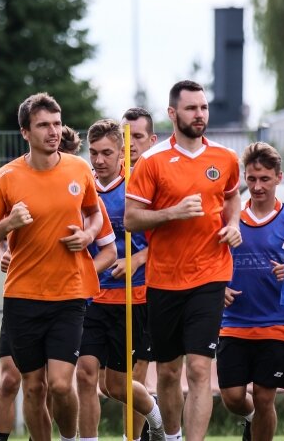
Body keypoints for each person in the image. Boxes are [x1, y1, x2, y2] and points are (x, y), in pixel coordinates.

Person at [0, 92, 103, 441]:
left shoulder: (79, 168)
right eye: (44, 125)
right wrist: (8, 225)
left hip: (69, 295)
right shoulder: (5, 178)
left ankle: (69, 438)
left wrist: (89, 235)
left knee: (61, 385)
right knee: (33, 387)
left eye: (57, 124)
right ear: (25, 132)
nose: (53, 131)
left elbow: (94, 214)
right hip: (23, 297)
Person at [124, 80, 242, 441]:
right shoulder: (152, 161)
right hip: (164, 280)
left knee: (200, 370)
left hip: (210, 275)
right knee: (169, 372)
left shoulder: (225, 157)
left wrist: (234, 225)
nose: (200, 114)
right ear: (173, 113)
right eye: (192, 108)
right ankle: (172, 436)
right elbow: (131, 219)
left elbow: (232, 197)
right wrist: (172, 213)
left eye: (203, 107)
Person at [76, 119, 164, 441]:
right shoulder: (81, 186)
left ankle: (156, 420)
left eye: (107, 153)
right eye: (94, 153)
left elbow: (166, 242)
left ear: (122, 153)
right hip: (90, 296)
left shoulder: (137, 187)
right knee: (85, 375)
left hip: (132, 297)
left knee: (115, 385)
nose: (99, 160)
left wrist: (136, 259)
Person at [217, 142, 284, 441]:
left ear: (279, 177)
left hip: (277, 323)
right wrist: (219, 288)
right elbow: (209, 261)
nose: (257, 187)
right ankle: (252, 420)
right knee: (232, 397)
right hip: (234, 323)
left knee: (265, 396)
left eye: (265, 179)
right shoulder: (230, 219)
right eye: (252, 179)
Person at [120, 106, 158, 441]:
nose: (130, 143)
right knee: (101, 377)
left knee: (136, 373)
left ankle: (136, 436)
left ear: (152, 139)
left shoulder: (160, 179)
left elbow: (172, 236)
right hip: (103, 293)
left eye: (138, 136)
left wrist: (139, 258)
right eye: (124, 136)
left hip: (148, 290)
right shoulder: (105, 178)